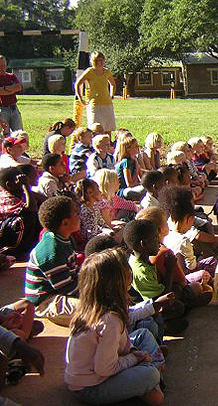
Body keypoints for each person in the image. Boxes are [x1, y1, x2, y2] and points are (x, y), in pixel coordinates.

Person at [64, 248, 165, 405]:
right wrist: (134, 358)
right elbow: (104, 368)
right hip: (91, 387)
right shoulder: (109, 320)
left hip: (105, 365)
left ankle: (149, 377)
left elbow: (122, 342)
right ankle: (153, 376)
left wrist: (132, 350)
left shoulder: (94, 307)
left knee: (143, 334)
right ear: (116, 284)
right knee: (151, 377)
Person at [25, 196, 80, 326]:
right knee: (96, 311)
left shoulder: (63, 239)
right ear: (65, 223)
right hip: (48, 301)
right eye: (76, 214)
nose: (79, 217)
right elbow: (67, 289)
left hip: (62, 290)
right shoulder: (51, 251)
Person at [0, 167, 39, 262]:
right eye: (20, 180)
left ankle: (28, 248)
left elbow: (43, 200)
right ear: (9, 185)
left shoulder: (17, 193)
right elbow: (31, 209)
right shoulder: (6, 196)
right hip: (5, 237)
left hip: (9, 231)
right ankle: (16, 251)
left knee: (37, 215)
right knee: (26, 218)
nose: (25, 181)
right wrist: (26, 186)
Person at [75, 51, 117, 137]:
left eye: (102, 60)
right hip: (94, 104)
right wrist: (80, 98)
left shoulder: (107, 72)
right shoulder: (89, 72)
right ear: (94, 61)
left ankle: (107, 146)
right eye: (98, 60)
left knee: (107, 128)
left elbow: (113, 84)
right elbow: (78, 84)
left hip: (107, 104)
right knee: (95, 129)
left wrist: (111, 95)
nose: (101, 62)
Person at [0, 55, 23, 133]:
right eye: (1, 65)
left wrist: (4, 88)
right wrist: (11, 89)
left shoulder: (11, 76)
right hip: (2, 110)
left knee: (19, 134)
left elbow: (19, 87)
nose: (3, 67)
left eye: (4, 65)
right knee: (5, 136)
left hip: (14, 108)